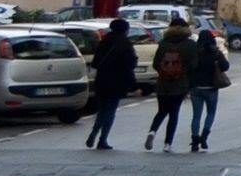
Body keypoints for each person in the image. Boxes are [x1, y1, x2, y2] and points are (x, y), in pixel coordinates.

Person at [82, 18, 136, 150]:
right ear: (125, 29)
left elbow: (95, 63)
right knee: (110, 111)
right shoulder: (125, 43)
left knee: (102, 110)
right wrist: (133, 83)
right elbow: (130, 64)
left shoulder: (104, 41)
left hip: (102, 80)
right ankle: (103, 139)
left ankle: (94, 132)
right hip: (117, 81)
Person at [144, 17, 194, 150]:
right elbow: (194, 65)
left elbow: (156, 64)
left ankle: (152, 132)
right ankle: (167, 144)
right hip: (180, 84)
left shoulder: (164, 43)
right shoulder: (189, 44)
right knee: (174, 113)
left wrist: (165, 72)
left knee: (161, 111)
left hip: (163, 83)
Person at [186, 22, 231, 152]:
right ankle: (204, 137)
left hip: (196, 87)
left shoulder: (195, 52)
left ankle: (195, 141)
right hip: (211, 87)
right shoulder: (216, 53)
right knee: (210, 113)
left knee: (196, 116)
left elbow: (189, 68)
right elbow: (226, 66)